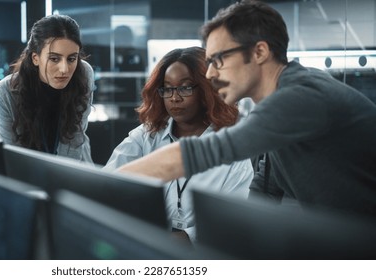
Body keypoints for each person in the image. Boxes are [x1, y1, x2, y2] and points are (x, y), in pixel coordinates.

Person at [118, 0, 376, 218]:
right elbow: (264, 193)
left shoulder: (301, 96)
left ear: (260, 52)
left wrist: (106, 189)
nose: (210, 73)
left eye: (219, 59)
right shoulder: (278, 109)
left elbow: (204, 152)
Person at [104, 47, 254, 242]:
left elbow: (231, 225)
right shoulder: (146, 136)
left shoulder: (233, 152)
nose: (174, 97)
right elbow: (107, 184)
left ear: (208, 90)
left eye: (185, 87)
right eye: (167, 88)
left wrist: (181, 238)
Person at [0, 15, 94, 162]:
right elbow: (10, 153)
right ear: (35, 58)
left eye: (72, 58)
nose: (64, 69)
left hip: (73, 168)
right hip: (25, 173)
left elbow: (74, 138)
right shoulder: (7, 91)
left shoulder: (83, 73)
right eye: (54, 59)